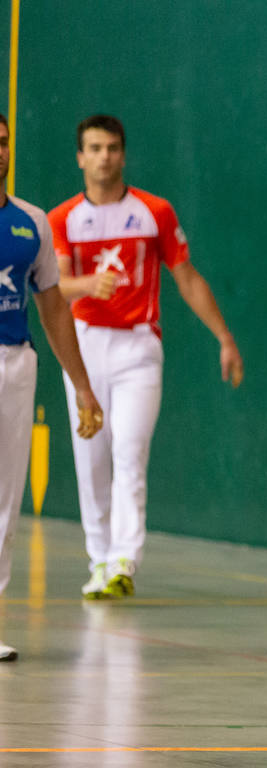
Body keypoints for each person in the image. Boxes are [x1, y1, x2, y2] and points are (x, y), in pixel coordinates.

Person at [48, 114, 243, 600]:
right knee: (91, 457)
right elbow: (54, 288)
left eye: (112, 147)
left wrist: (224, 337)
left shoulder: (154, 211)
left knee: (129, 454)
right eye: (94, 148)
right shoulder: (62, 219)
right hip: (84, 346)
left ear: (123, 154)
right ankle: (98, 560)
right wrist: (89, 285)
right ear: (80, 157)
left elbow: (188, 278)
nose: (104, 157)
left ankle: (122, 563)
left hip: (139, 347)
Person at [0, 113, 103, 660]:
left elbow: (55, 310)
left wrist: (81, 386)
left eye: (2, 142)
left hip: (14, 367)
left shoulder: (31, 223)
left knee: (3, 500)